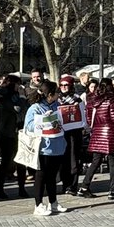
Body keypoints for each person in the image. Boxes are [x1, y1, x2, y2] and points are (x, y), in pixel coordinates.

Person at [25, 79, 69, 216]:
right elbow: (29, 126)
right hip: (43, 147)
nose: (58, 94)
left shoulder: (57, 106)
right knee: (41, 175)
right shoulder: (35, 108)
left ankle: (53, 202)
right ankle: (38, 204)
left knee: (52, 176)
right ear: (49, 94)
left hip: (57, 146)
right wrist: (44, 119)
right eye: (56, 92)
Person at [79, 78, 114, 199]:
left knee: (95, 161)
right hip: (110, 133)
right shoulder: (111, 100)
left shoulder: (92, 100)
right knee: (113, 162)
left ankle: (84, 186)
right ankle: (113, 190)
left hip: (97, 133)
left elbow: (88, 119)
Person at [56, 75, 86, 194]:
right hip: (62, 133)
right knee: (63, 159)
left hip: (74, 134)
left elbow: (82, 113)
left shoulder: (77, 99)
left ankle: (73, 185)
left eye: (66, 85)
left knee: (74, 158)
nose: (63, 87)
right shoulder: (57, 99)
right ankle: (65, 184)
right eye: (61, 85)